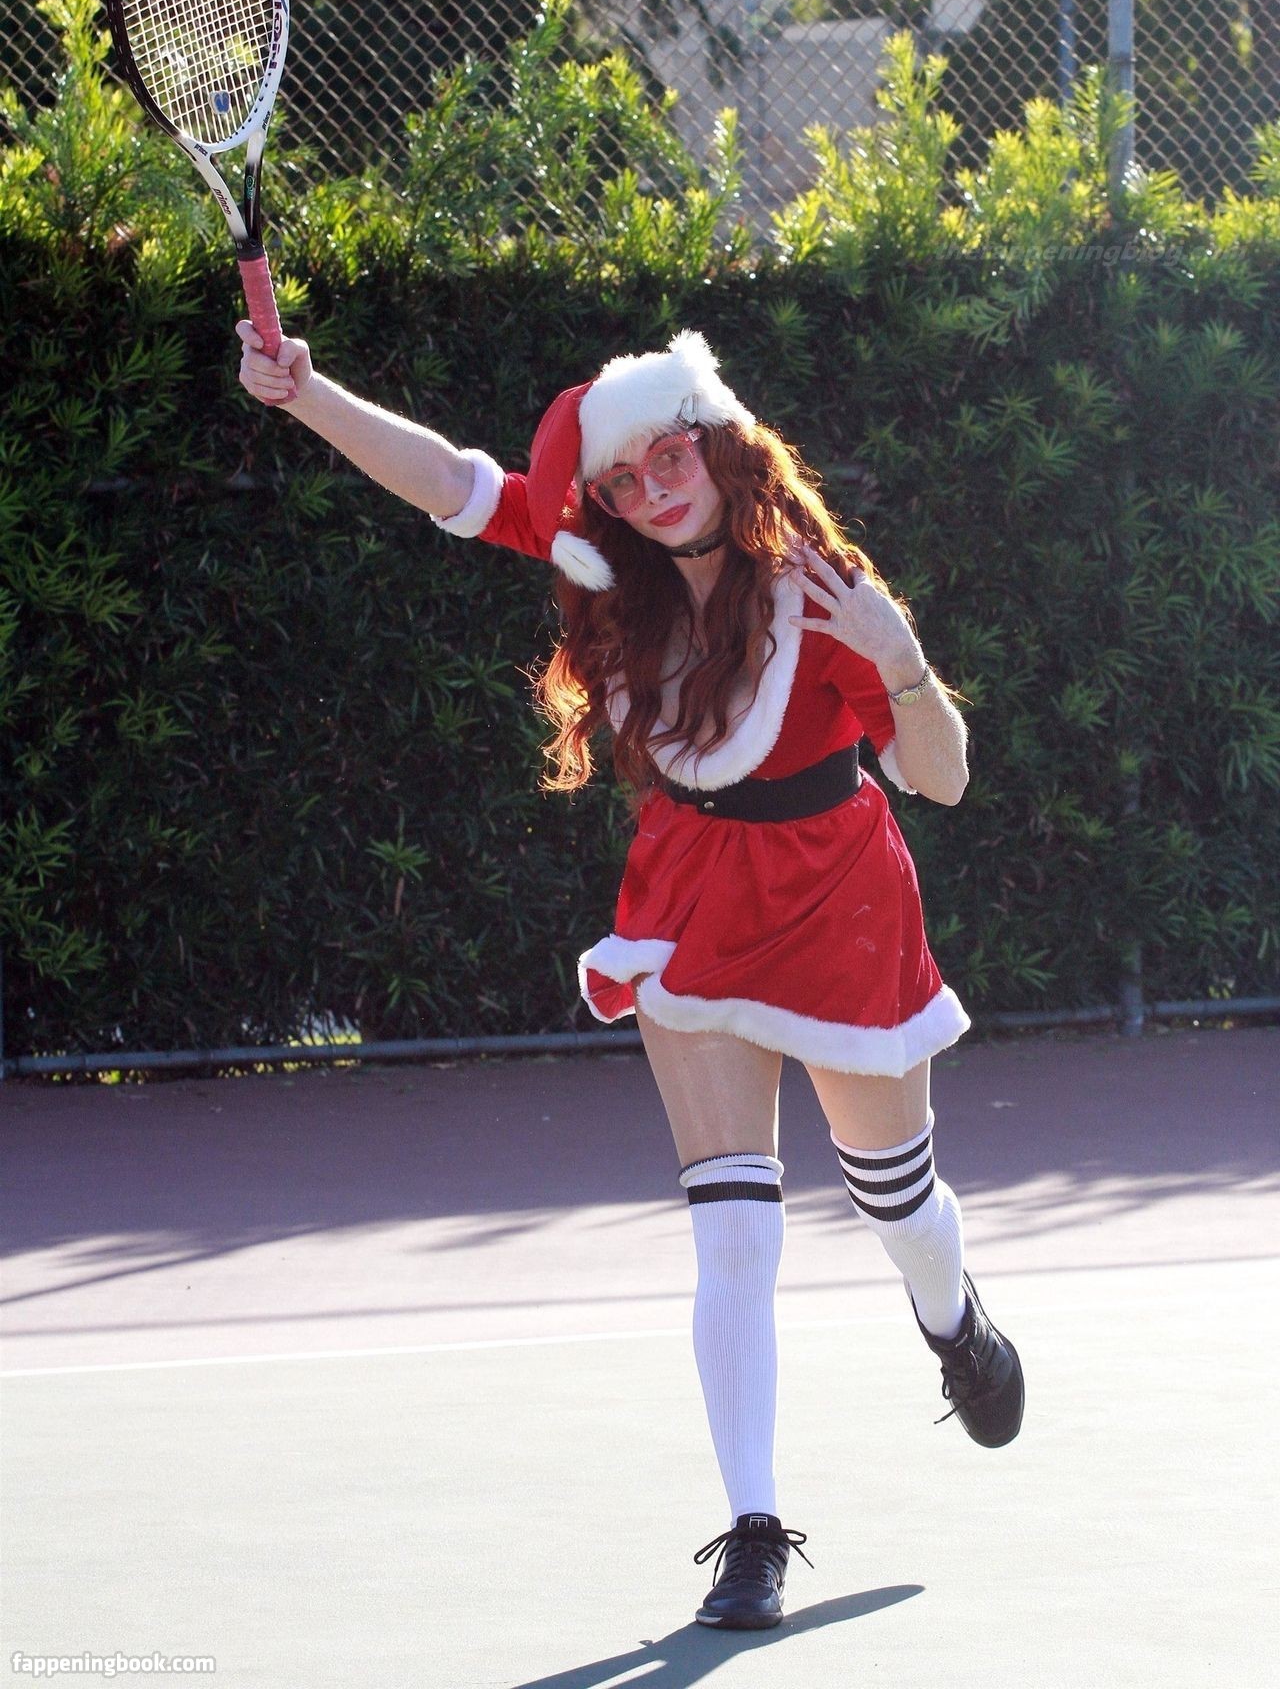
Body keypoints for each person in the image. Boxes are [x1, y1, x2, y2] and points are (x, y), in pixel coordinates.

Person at [237, 320, 1024, 1632]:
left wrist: (900, 659)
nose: (653, 490)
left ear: (719, 445)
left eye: (671, 458)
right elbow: (456, 484)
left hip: (839, 895)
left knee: (894, 1195)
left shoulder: (819, 586)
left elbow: (940, 778)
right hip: (691, 902)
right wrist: (307, 394)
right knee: (734, 1229)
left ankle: (953, 1323)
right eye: (623, 478)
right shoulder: (608, 572)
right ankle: (755, 1532)